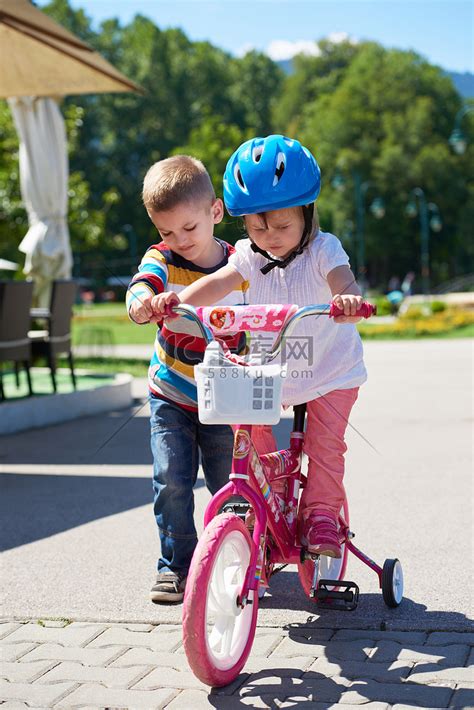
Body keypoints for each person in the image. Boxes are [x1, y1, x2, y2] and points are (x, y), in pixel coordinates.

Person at [152, 135, 368, 559]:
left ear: (307, 214)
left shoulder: (324, 249)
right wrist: (180, 299)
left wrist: (348, 300)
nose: (268, 236)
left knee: (325, 446)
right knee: (248, 435)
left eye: (282, 226)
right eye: (255, 226)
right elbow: (217, 282)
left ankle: (322, 515)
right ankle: (270, 505)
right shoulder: (249, 256)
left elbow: (343, 279)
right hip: (273, 368)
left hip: (330, 372)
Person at [126, 155, 248, 602]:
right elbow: (143, 283)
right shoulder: (162, 259)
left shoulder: (241, 265)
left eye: (189, 229)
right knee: (171, 478)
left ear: (215, 212)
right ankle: (177, 565)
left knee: (229, 485)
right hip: (171, 393)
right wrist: (142, 302)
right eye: (166, 231)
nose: (180, 241)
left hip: (225, 396)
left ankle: (235, 557)